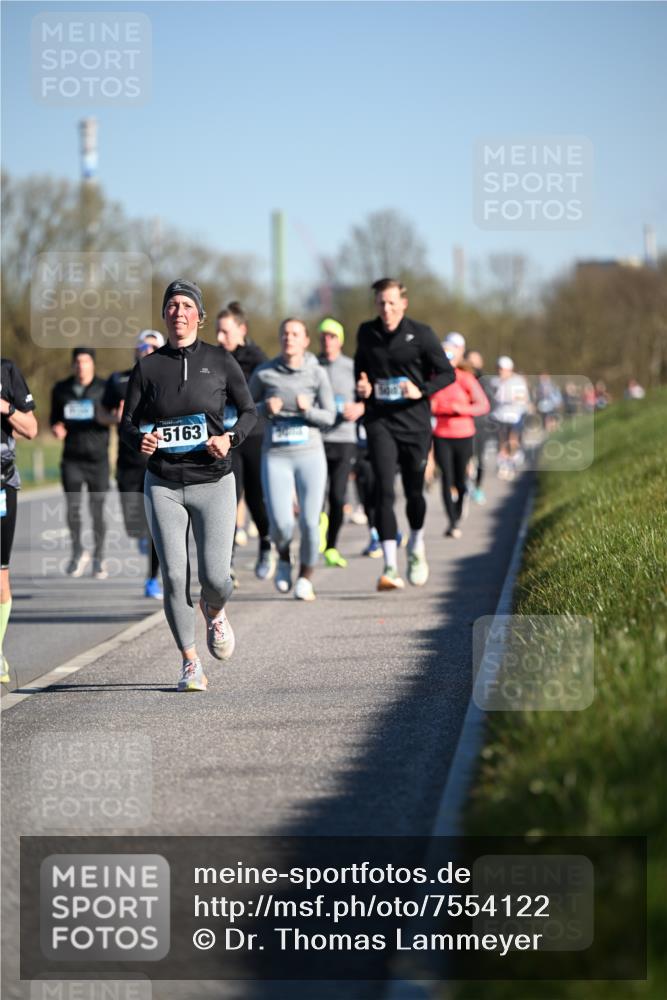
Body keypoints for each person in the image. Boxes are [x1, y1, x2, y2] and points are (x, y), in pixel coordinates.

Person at [121, 279, 257, 692]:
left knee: (216, 577)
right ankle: (190, 662)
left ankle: (214, 610)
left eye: (186, 306)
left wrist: (229, 438)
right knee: (175, 577)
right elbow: (127, 422)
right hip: (163, 483)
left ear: (199, 315)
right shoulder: (148, 367)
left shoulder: (220, 360)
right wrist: (138, 439)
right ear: (164, 315)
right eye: (171, 306)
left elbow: (249, 411)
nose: (178, 312)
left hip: (214, 481)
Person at [354, 278, 454, 590]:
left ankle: (416, 545)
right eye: (381, 303)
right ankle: (389, 566)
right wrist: (363, 387)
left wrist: (420, 389)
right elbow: (361, 370)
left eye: (392, 302)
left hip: (414, 423)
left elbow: (447, 373)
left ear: (403, 303)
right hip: (380, 420)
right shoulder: (366, 332)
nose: (386, 308)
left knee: (414, 493)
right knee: (384, 489)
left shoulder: (421, 334)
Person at [249, 318, 335, 602]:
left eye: (295, 334)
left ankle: (306, 577)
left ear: (306, 340)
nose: (289, 338)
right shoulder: (264, 374)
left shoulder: (317, 373)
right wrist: (264, 407)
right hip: (276, 456)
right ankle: (284, 557)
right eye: (285, 333)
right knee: (282, 524)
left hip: (310, 455)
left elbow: (330, 416)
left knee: (310, 523)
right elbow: (246, 413)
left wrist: (308, 410)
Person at [100, 330, 165, 599]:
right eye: (142, 346)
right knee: (133, 524)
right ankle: (139, 535)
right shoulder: (118, 380)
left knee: (155, 527)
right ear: (135, 350)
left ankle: (152, 579)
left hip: (158, 461)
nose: (147, 350)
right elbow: (100, 412)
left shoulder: (168, 379)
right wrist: (114, 417)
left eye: (153, 346)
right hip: (127, 461)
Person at [215, 302, 273, 582]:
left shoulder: (256, 357)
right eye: (217, 332)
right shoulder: (212, 358)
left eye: (225, 332)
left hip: (252, 435)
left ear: (242, 330)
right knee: (228, 499)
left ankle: (266, 543)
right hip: (226, 439)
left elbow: (256, 395)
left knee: (255, 498)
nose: (219, 338)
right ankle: (227, 566)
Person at [50, 347, 110, 578]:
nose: (81, 366)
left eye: (85, 362)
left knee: (97, 510)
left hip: (98, 459)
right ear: (72, 365)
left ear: (92, 365)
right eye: (77, 362)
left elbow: (116, 415)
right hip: (72, 458)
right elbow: (55, 419)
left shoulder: (104, 388)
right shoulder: (61, 389)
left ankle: (99, 557)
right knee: (73, 509)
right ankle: (77, 551)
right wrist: (57, 428)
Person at [1, 359, 38, 684]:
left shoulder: (8, 371)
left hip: (1, 485)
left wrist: (4, 406)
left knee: (0, 576)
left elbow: (31, 428)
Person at [431, 334, 490, 539]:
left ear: (457, 357)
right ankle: (452, 521)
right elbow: (425, 402)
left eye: (450, 354)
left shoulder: (465, 378)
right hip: (441, 434)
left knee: (460, 479)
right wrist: (434, 406)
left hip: (463, 434)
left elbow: (483, 405)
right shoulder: (433, 377)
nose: (447, 358)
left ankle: (460, 504)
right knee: (446, 478)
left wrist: (460, 408)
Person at [317, 317, 365, 568]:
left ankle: (332, 546)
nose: (327, 341)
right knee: (315, 496)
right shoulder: (312, 365)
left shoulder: (352, 366)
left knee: (337, 497)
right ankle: (319, 528)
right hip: (317, 438)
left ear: (341, 340)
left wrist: (360, 407)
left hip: (344, 439)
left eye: (332, 336)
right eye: (324, 336)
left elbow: (366, 397)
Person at [489, 356, 530, 480]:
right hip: (499, 416)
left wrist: (511, 397)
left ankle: (511, 463)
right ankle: (503, 465)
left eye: (503, 369)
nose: (500, 372)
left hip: (515, 416)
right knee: (501, 441)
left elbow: (523, 397)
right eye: (499, 369)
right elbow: (492, 397)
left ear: (509, 369)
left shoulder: (518, 381)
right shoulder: (494, 381)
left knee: (512, 440)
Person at [464, 349, 494, 504]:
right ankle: (462, 486)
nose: (474, 364)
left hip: (481, 425)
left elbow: (490, 402)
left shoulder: (485, 380)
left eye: (477, 360)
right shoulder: (460, 377)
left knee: (480, 459)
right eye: (471, 360)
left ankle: (478, 488)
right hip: (463, 423)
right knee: (464, 458)